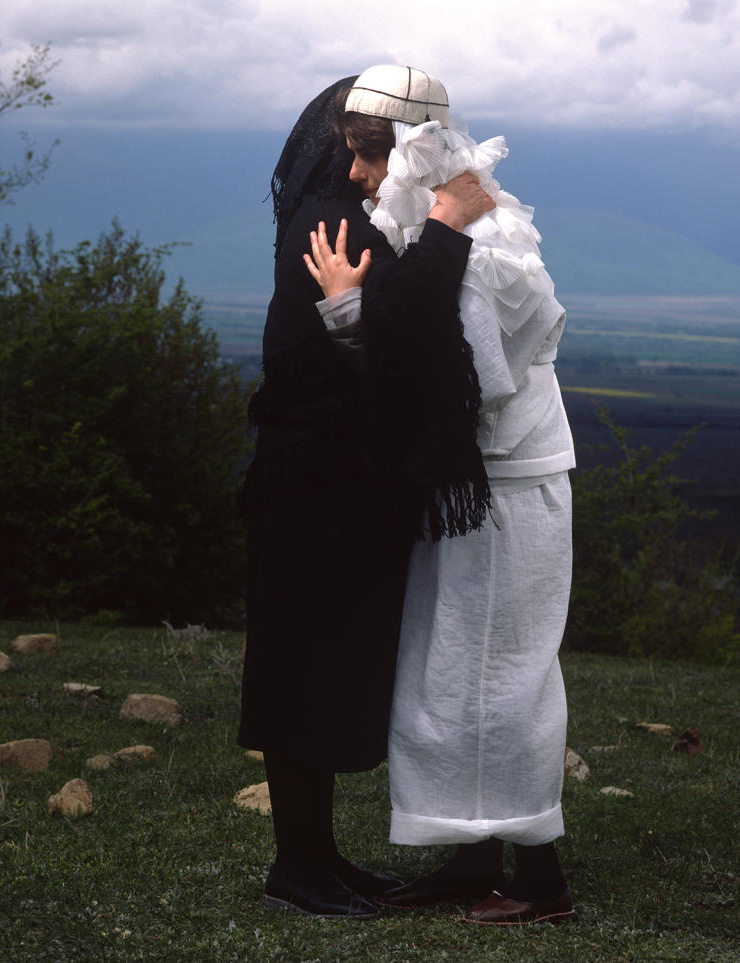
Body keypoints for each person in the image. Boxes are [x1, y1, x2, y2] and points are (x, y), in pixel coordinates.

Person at [306, 64, 576, 926]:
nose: (357, 175)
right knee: (451, 672)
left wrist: (351, 315)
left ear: (414, 151)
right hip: (473, 487)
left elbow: (458, 382)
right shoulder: (442, 232)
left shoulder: (485, 248)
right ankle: (472, 858)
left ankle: (540, 881)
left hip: (507, 486)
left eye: (369, 155)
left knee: (503, 676)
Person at [237, 74, 492, 919]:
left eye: (371, 149)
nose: (357, 168)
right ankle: (299, 867)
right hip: (314, 478)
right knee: (303, 663)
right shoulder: (333, 224)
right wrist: (450, 230)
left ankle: (317, 857)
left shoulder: (335, 216)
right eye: (351, 147)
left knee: (319, 661)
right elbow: (406, 330)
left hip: (327, 474)